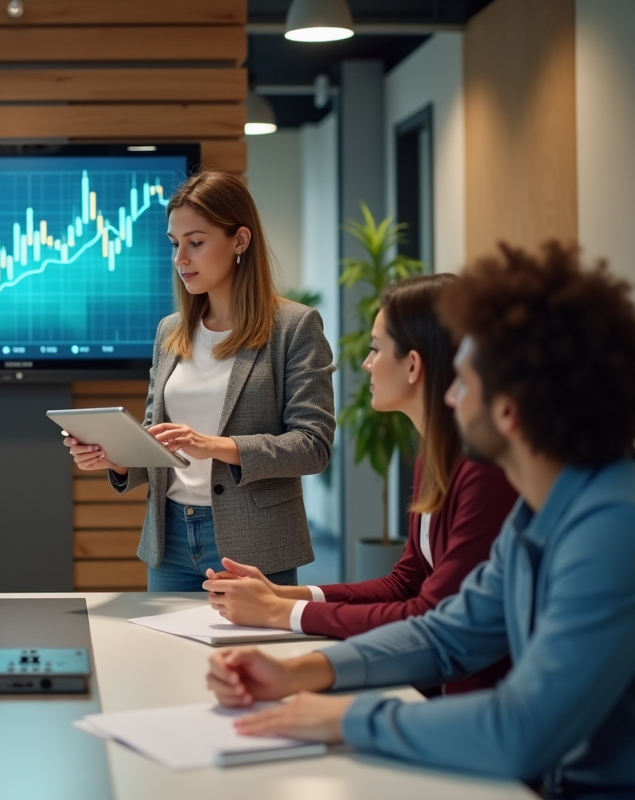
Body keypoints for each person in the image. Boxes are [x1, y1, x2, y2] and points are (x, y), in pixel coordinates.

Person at [205, 242, 635, 796]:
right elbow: (449, 633)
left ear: (506, 409)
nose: (450, 397)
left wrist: (343, 720)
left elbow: (523, 729)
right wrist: (297, 672)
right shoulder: (541, 512)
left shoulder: (611, 531)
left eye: (463, 381)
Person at [203, 274, 515, 694]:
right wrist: (284, 594)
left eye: (375, 347)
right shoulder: (434, 458)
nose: (366, 363)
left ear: (412, 364)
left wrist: (282, 613)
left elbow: (429, 612)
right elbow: (405, 584)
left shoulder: (482, 470)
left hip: (479, 706)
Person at [64, 170, 335, 590]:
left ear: (239, 241)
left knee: (246, 656)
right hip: (169, 540)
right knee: (165, 657)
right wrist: (116, 459)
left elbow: (314, 446)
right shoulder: (170, 331)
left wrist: (216, 447)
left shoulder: (294, 327)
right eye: (175, 244)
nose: (180, 259)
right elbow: (160, 445)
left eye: (196, 242)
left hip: (254, 544)